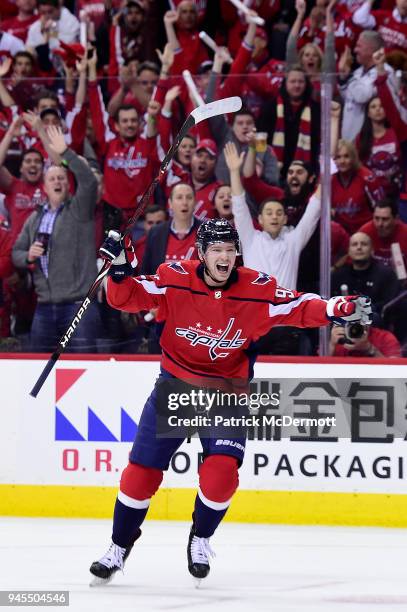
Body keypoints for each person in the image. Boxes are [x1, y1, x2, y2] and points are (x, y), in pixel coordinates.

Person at [89, 217, 372, 585]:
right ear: (201, 253)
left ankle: (201, 538)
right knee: (139, 475)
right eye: (216, 250)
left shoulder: (257, 289)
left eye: (229, 249)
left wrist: (337, 307)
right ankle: (118, 547)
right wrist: (121, 270)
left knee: (221, 474)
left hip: (227, 391)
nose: (224, 257)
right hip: (177, 386)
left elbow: (300, 306)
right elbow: (126, 297)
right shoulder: (174, 278)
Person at [12, 126, 101, 353]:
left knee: (85, 372)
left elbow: (89, 182)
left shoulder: (79, 208)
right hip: (43, 307)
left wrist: (66, 153)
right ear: (44, 186)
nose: (57, 181)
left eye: (61, 177)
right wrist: (28, 256)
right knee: (38, 371)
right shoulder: (34, 217)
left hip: (78, 306)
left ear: (68, 184)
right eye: (52, 179)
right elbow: (16, 253)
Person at [225, 141, 320, 290]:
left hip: (286, 311)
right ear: (260, 220)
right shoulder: (250, 238)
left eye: (279, 213)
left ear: (285, 219)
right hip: (255, 308)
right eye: (269, 213)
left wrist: (328, 171)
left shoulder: (293, 241)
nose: (274, 217)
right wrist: (234, 171)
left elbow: (314, 207)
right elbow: (239, 205)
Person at [331, 231, 400, 321]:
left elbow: (390, 306)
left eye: (364, 244)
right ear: (349, 251)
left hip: (376, 326)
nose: (359, 247)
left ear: (372, 250)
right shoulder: (338, 276)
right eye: (354, 244)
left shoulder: (386, 275)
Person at [141, 182, 200, 275]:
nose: (184, 202)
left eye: (189, 197)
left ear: (195, 203)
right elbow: (146, 271)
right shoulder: (156, 232)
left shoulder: (205, 231)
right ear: (170, 203)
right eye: (179, 197)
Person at [359, 200, 407, 268]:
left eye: (385, 219)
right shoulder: (364, 233)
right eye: (376, 218)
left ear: (396, 219)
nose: (379, 224)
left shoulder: (405, 233)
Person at [329, 324, 401, 358]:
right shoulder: (338, 337)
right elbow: (321, 370)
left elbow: (396, 372)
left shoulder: (385, 337)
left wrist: (369, 348)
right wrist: (331, 345)